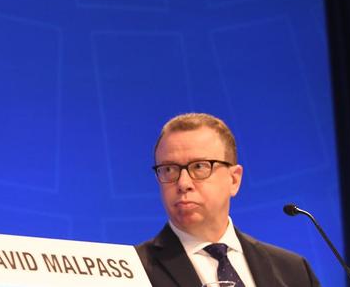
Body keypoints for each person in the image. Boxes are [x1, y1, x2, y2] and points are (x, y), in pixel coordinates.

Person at [135, 113, 320, 287]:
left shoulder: (293, 271)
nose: (183, 183)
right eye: (168, 169)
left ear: (234, 179)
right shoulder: (133, 271)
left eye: (199, 166)